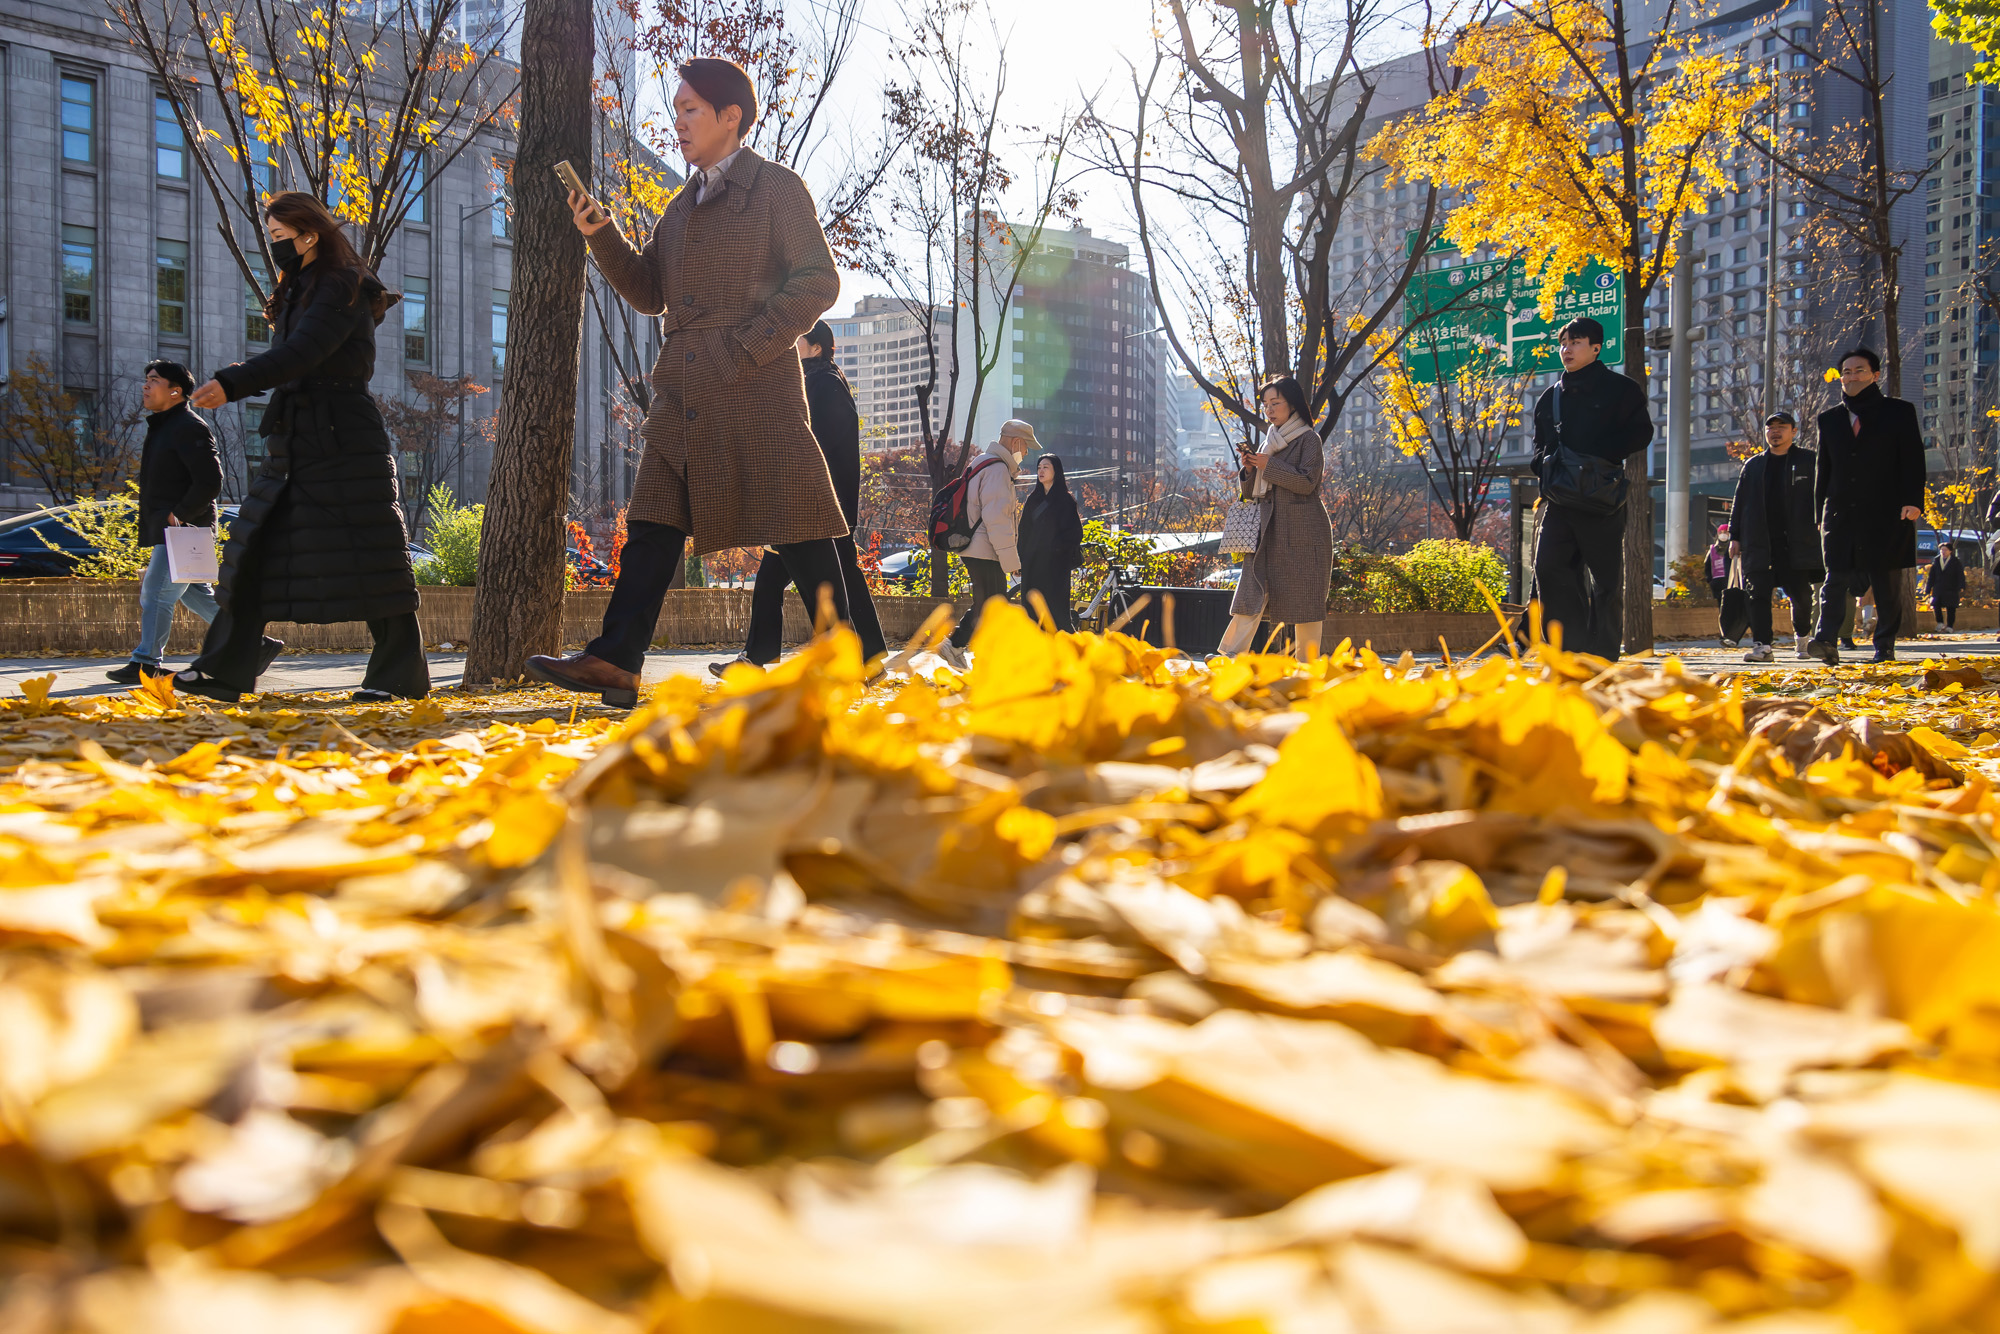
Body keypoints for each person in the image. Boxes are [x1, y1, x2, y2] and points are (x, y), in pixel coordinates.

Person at [527, 58, 852, 708]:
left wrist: (747, 346)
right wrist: (603, 234)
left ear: (731, 116)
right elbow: (651, 291)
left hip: (755, 384)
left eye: (690, 110)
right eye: (674, 110)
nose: (676, 122)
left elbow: (820, 279)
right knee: (652, 522)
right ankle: (616, 660)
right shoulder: (680, 208)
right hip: (684, 393)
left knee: (798, 525)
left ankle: (841, 660)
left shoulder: (777, 190)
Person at [181, 193, 426, 704]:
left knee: (372, 556)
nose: (274, 249)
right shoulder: (301, 285)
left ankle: (398, 678)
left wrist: (234, 381)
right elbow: (293, 356)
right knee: (254, 545)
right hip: (297, 437)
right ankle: (223, 670)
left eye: (278, 238)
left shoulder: (341, 284)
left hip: (343, 439)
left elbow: (304, 353)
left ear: (309, 235)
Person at [712, 320, 885, 676]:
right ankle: (761, 659)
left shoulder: (824, 384)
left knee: (834, 582)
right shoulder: (816, 382)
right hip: (810, 503)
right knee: (778, 579)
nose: (790, 348)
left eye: (797, 342)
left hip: (813, 505)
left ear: (816, 347)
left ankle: (854, 661)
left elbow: (818, 446)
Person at [1529, 317, 1654, 660]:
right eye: (1564, 342)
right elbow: (1538, 445)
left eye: (1576, 342)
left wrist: (1600, 457)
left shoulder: (1622, 389)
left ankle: (1602, 653)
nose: (1566, 349)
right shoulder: (1550, 396)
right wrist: (1545, 465)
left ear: (1596, 348)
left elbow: (1641, 433)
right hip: (1560, 498)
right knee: (1550, 568)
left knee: (1606, 579)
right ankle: (1566, 650)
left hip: (1601, 498)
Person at [1805, 346, 1927, 665]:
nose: (1851, 376)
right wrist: (1819, 512)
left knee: (1885, 580)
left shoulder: (1899, 412)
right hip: (1840, 513)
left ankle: (1884, 645)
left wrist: (1913, 501)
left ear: (1875, 375)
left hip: (1886, 511)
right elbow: (1824, 469)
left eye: (1859, 370)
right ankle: (1826, 640)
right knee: (1835, 577)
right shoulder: (1829, 419)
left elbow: (1913, 459)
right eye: (1846, 371)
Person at [108, 360, 223, 686]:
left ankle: (146, 663)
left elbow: (211, 481)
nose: (145, 386)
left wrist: (180, 514)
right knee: (195, 595)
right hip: (177, 528)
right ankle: (251, 641)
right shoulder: (165, 426)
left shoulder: (188, 426)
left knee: (156, 593)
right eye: (145, 379)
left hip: (184, 529)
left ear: (176, 391)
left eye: (154, 380)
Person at [1213, 375, 1333, 661]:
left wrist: (1269, 465)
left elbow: (1307, 484)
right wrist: (1252, 470)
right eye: (1265, 404)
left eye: (1275, 402)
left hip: (1304, 533)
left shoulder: (1309, 439)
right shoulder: (1270, 441)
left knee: (1307, 599)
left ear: (1292, 404)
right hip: (1267, 530)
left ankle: (1308, 663)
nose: (1268, 409)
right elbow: (1255, 492)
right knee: (1251, 592)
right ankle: (1230, 655)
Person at [937, 419, 1036, 670]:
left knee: (991, 602)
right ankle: (958, 645)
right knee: (993, 605)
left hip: (976, 545)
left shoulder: (982, 462)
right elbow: (998, 520)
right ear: (1016, 442)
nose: (1025, 454)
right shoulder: (998, 469)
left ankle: (967, 648)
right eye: (1026, 448)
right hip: (984, 548)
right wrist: (1011, 562)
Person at [1727, 411, 1822, 662]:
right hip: (1759, 542)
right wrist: (1734, 536)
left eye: (1782, 426)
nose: (1775, 432)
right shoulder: (1754, 465)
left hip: (1797, 543)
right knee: (1757, 594)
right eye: (1771, 428)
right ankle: (1763, 646)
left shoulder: (1808, 461)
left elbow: (1823, 495)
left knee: (1801, 595)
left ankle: (1802, 639)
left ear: (1794, 431)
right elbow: (1740, 502)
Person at [1017, 452, 1083, 632]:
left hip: (1056, 567)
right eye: (1039, 467)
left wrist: (1056, 548)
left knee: (1057, 614)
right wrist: (1020, 559)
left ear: (1056, 471)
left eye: (1046, 467)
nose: (1041, 471)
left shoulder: (1066, 500)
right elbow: (1023, 531)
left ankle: (1064, 654)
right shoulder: (1033, 499)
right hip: (1033, 564)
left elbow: (1075, 533)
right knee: (1031, 613)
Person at [1927, 539, 1966, 631]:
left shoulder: (1955, 561)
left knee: (1951, 608)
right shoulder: (1936, 560)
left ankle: (1949, 626)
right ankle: (1940, 623)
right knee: (1936, 606)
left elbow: (1960, 575)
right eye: (1941, 550)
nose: (1943, 552)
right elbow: (1932, 575)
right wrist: (1928, 588)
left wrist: (1961, 586)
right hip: (1938, 588)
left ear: (1950, 551)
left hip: (1951, 588)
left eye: (1945, 550)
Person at [1705, 525, 1731, 605]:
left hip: (1730, 580)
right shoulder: (1712, 549)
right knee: (1721, 604)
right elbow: (1707, 565)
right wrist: (1710, 580)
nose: (1723, 534)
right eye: (1721, 532)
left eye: (1725, 532)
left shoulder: (1733, 547)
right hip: (1717, 581)